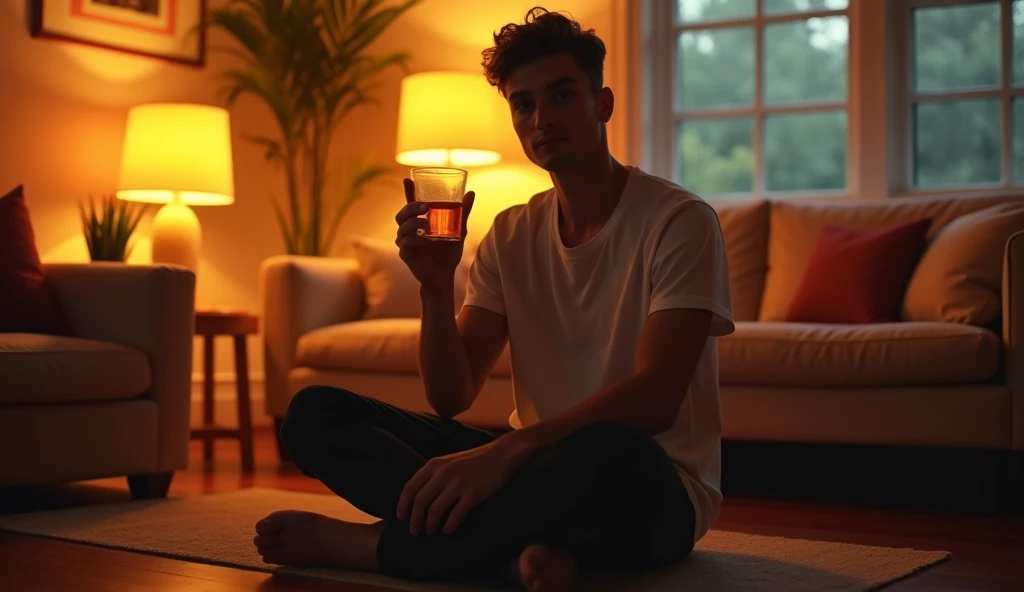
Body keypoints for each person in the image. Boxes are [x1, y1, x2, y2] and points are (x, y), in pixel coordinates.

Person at [252, 6, 734, 591]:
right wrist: (434, 287)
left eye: (561, 96)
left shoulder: (680, 220)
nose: (541, 118)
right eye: (524, 104)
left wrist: (505, 454)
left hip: (648, 487)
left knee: (610, 450)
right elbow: (452, 395)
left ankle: (367, 547)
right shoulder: (509, 234)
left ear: (601, 105)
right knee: (315, 413)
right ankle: (509, 556)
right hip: (536, 472)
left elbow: (656, 400)